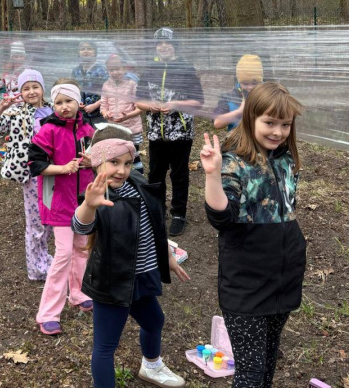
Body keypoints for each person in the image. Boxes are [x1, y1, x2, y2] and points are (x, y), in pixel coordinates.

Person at [200, 82, 307, 388]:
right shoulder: (233, 161)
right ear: (251, 117)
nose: (277, 131)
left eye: (285, 124)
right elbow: (222, 216)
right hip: (246, 281)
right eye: (269, 122)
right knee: (248, 370)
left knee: (270, 351)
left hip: (284, 272)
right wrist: (212, 176)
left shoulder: (286, 159)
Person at [72, 124, 190, 388]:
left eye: (127, 162)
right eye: (114, 162)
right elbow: (81, 226)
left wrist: (167, 255)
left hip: (142, 275)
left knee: (155, 321)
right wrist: (88, 205)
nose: (122, 170)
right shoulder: (97, 194)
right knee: (105, 345)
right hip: (112, 281)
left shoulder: (137, 184)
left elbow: (154, 225)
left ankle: (151, 365)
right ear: (98, 160)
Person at [28, 81, 95, 335]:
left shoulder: (88, 128)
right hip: (58, 201)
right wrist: (63, 168)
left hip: (84, 202)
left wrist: (91, 161)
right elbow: (35, 164)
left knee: (82, 247)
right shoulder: (49, 130)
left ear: (79, 102)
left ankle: (78, 293)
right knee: (64, 253)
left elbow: (100, 158)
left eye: (69, 101)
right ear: (52, 105)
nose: (64, 107)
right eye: (58, 102)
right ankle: (48, 313)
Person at [0, 69, 55, 280]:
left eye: (35, 87)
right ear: (20, 92)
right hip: (31, 174)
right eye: (26, 88)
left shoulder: (53, 110)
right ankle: (36, 268)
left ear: (42, 88)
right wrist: (1, 108)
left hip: (55, 172)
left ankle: (44, 258)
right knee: (36, 221)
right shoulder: (16, 112)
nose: (31, 92)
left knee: (51, 220)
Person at [135, 27, 203, 237]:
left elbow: (198, 101)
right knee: (155, 174)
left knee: (179, 174)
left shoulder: (186, 69)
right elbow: (138, 101)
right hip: (156, 133)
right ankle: (157, 209)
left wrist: (175, 104)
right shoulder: (149, 70)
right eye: (159, 43)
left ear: (175, 45)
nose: (163, 47)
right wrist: (150, 105)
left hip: (181, 133)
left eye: (168, 43)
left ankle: (179, 214)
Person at [99, 53, 144, 173]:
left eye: (117, 69)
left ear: (124, 69)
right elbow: (103, 105)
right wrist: (105, 113)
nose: (115, 72)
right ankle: (121, 177)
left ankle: (138, 176)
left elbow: (140, 107)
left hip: (131, 128)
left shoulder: (132, 84)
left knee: (133, 154)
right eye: (111, 70)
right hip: (114, 128)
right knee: (117, 154)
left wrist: (128, 115)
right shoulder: (106, 85)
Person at [213, 54, 266, 132]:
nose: (250, 87)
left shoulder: (269, 94)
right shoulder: (229, 97)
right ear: (239, 81)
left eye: (254, 83)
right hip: (237, 139)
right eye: (245, 83)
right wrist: (239, 111)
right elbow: (217, 123)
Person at [72, 40, 108, 125]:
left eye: (89, 49)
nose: (86, 51)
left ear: (95, 52)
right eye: (82, 49)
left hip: (99, 113)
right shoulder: (76, 71)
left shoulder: (101, 70)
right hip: (82, 114)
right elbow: (74, 89)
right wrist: (78, 103)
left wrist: (95, 105)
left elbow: (108, 93)